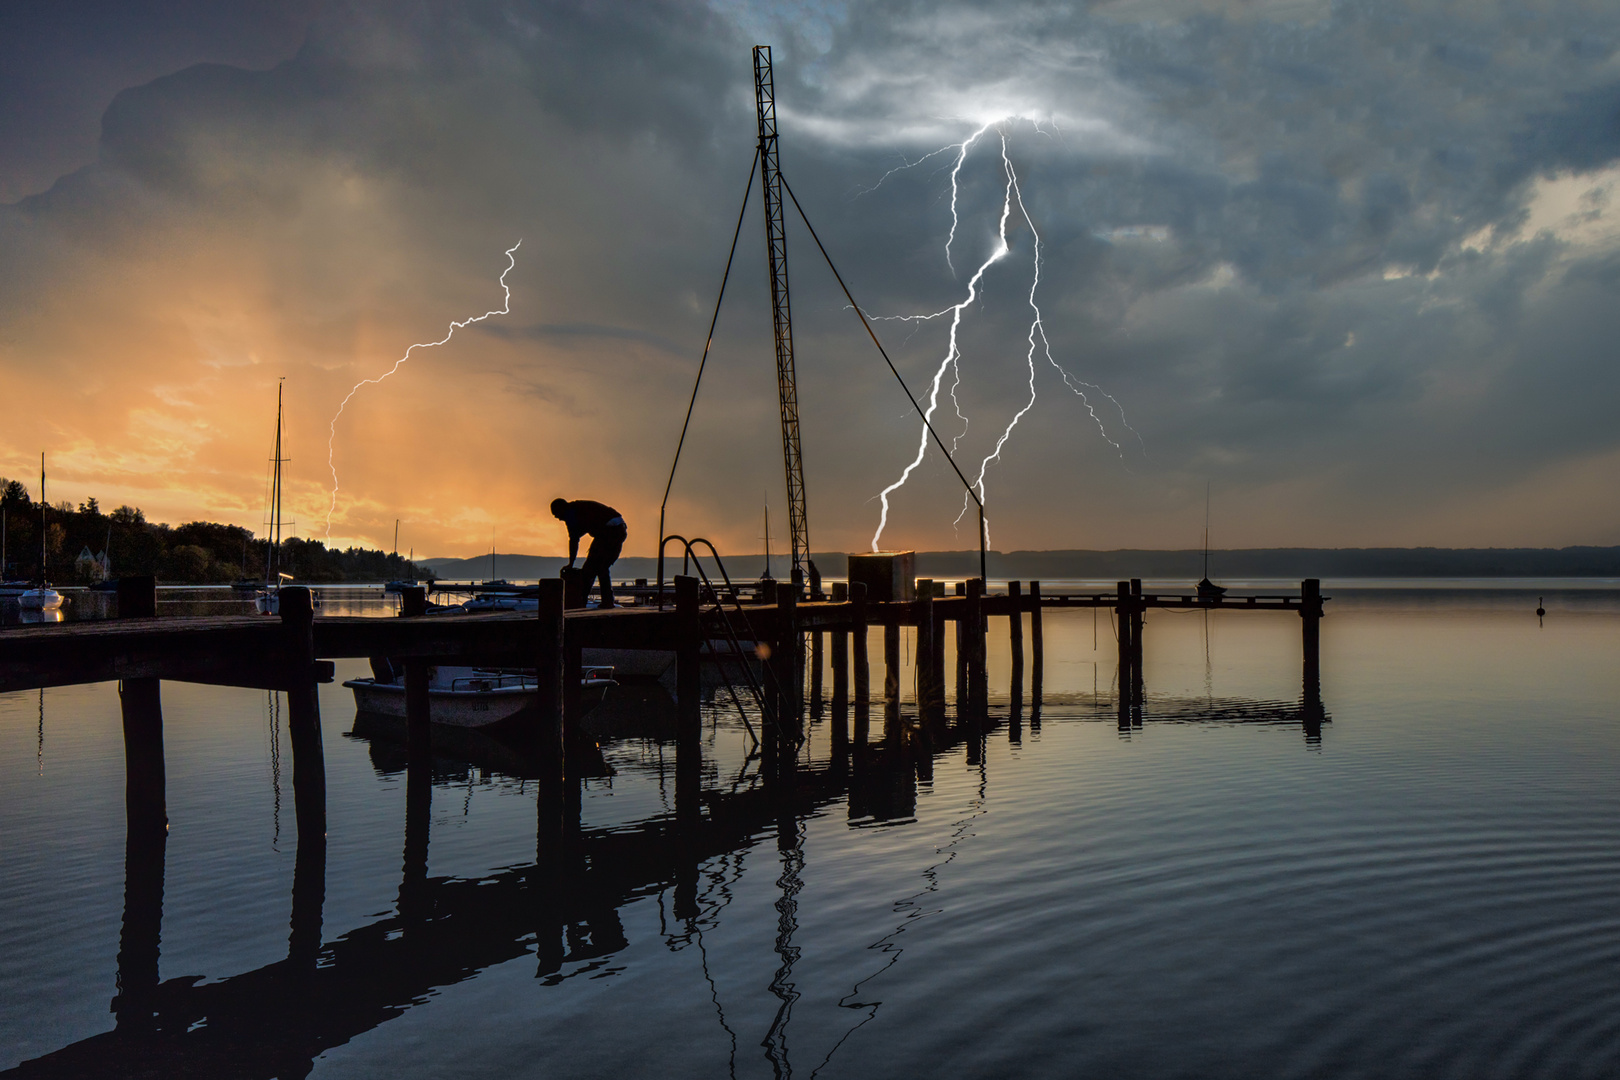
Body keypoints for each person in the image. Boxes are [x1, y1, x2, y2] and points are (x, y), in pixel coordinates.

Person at [551, 498, 627, 608]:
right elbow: (579, 533)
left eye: (556, 514)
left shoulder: (570, 513)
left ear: (561, 509)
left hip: (611, 531)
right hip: (619, 529)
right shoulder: (577, 509)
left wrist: (571, 563)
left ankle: (588, 601)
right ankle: (599, 600)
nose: (557, 518)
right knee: (598, 567)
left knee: (596, 567)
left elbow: (574, 540)